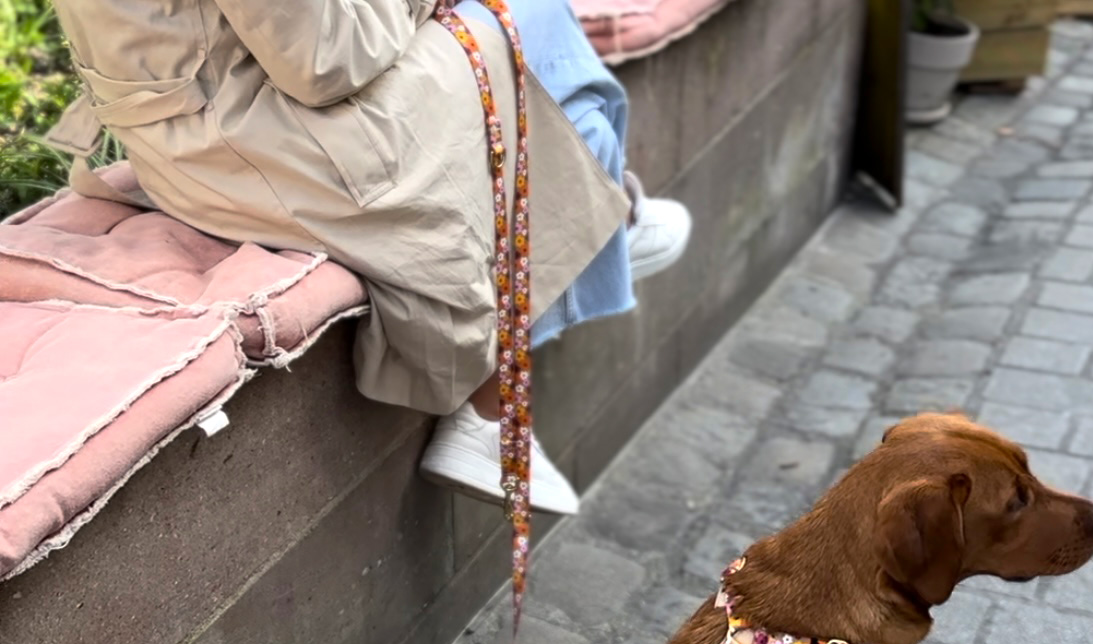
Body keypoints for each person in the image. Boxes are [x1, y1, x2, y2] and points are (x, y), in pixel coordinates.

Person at [46, 0, 691, 515]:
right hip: (273, 150)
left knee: (526, 39)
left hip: (190, 144)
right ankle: (502, 392)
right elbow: (325, 60)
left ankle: (604, 233)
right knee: (524, 19)